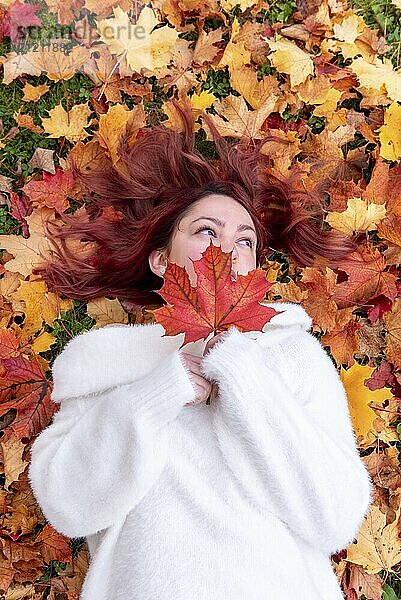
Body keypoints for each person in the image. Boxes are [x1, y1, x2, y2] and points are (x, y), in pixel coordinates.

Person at [28, 99, 373, 600]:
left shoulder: (292, 355)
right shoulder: (104, 364)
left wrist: (243, 377)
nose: (226, 251)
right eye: (206, 231)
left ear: (255, 269)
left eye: (245, 240)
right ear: (163, 260)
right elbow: (67, 504)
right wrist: (159, 392)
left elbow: (336, 517)